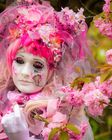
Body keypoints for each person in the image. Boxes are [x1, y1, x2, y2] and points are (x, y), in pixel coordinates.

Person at [0, 0, 93, 139]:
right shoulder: (4, 99)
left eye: (37, 65)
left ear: (52, 71)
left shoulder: (65, 114)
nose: (25, 73)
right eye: (19, 61)